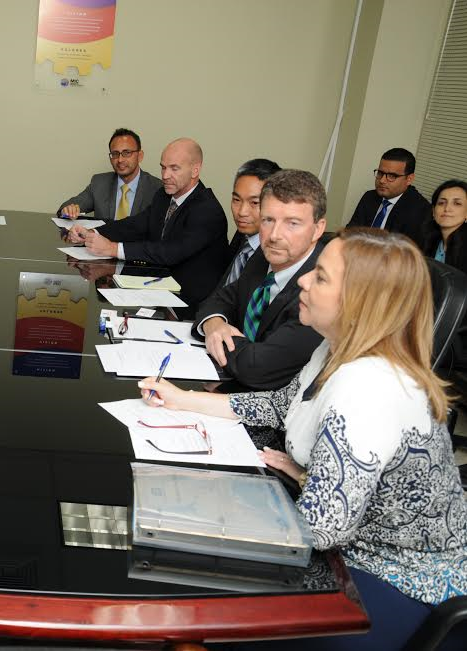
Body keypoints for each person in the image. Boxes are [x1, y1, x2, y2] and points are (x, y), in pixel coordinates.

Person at [139, 228, 467, 650]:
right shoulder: (336, 348)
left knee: (205, 605)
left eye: (321, 277)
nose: (303, 281)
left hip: (398, 580)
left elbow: (320, 528)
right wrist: (182, 399)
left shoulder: (372, 387)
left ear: (360, 301)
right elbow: (280, 405)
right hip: (351, 548)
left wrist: (198, 513)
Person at [194, 169, 325, 390]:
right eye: (268, 220)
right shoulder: (263, 256)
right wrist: (214, 323)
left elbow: (258, 367)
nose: (274, 235)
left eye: (292, 223)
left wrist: (219, 338)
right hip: (232, 386)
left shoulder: (322, 288)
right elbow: (221, 298)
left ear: (317, 229)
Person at [67, 137, 229, 305]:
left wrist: (112, 248)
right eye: (163, 167)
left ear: (195, 170)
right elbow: (134, 226)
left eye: (174, 168)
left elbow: (169, 252)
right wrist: (92, 233)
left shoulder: (207, 210)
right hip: (160, 286)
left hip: (193, 303)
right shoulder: (164, 196)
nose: (165, 176)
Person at [57, 128, 160, 222]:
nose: (120, 160)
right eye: (115, 154)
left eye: (127, 153)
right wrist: (67, 210)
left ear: (140, 156)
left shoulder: (157, 188)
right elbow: (65, 208)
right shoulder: (99, 183)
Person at [219, 158, 281, 286]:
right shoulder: (242, 233)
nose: (242, 212)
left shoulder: (277, 253)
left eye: (254, 202)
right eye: (236, 200)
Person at [346, 147, 431, 241]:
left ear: (409, 179)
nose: (382, 180)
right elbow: (350, 232)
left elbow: (405, 248)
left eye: (392, 176)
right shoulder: (369, 197)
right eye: (380, 173)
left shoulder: (420, 211)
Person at [419, 179, 467, 273]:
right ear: (433, 211)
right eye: (441, 203)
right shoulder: (426, 240)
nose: (447, 208)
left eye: (457, 203)